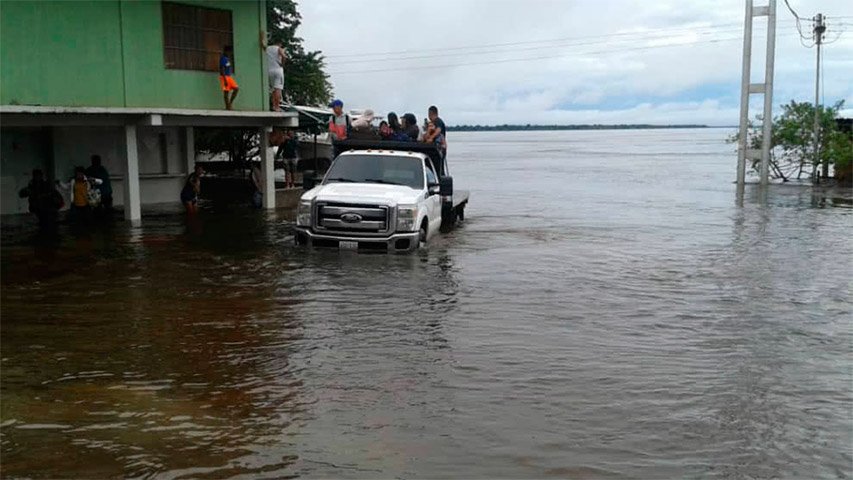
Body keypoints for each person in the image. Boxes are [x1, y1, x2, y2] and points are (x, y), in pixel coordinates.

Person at [266, 41, 286, 111]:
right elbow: (284, 56)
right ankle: (276, 107)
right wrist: (282, 64)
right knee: (278, 89)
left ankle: (273, 105)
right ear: (279, 44)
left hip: (269, 71)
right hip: (278, 70)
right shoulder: (279, 49)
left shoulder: (267, 48)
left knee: (273, 89)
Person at [219, 46, 239, 110]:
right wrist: (225, 79)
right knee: (226, 92)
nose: (230, 53)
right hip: (225, 76)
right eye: (229, 52)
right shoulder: (223, 58)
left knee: (236, 89)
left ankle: (230, 103)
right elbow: (222, 69)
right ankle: (227, 106)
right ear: (226, 51)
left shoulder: (227, 59)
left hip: (229, 77)